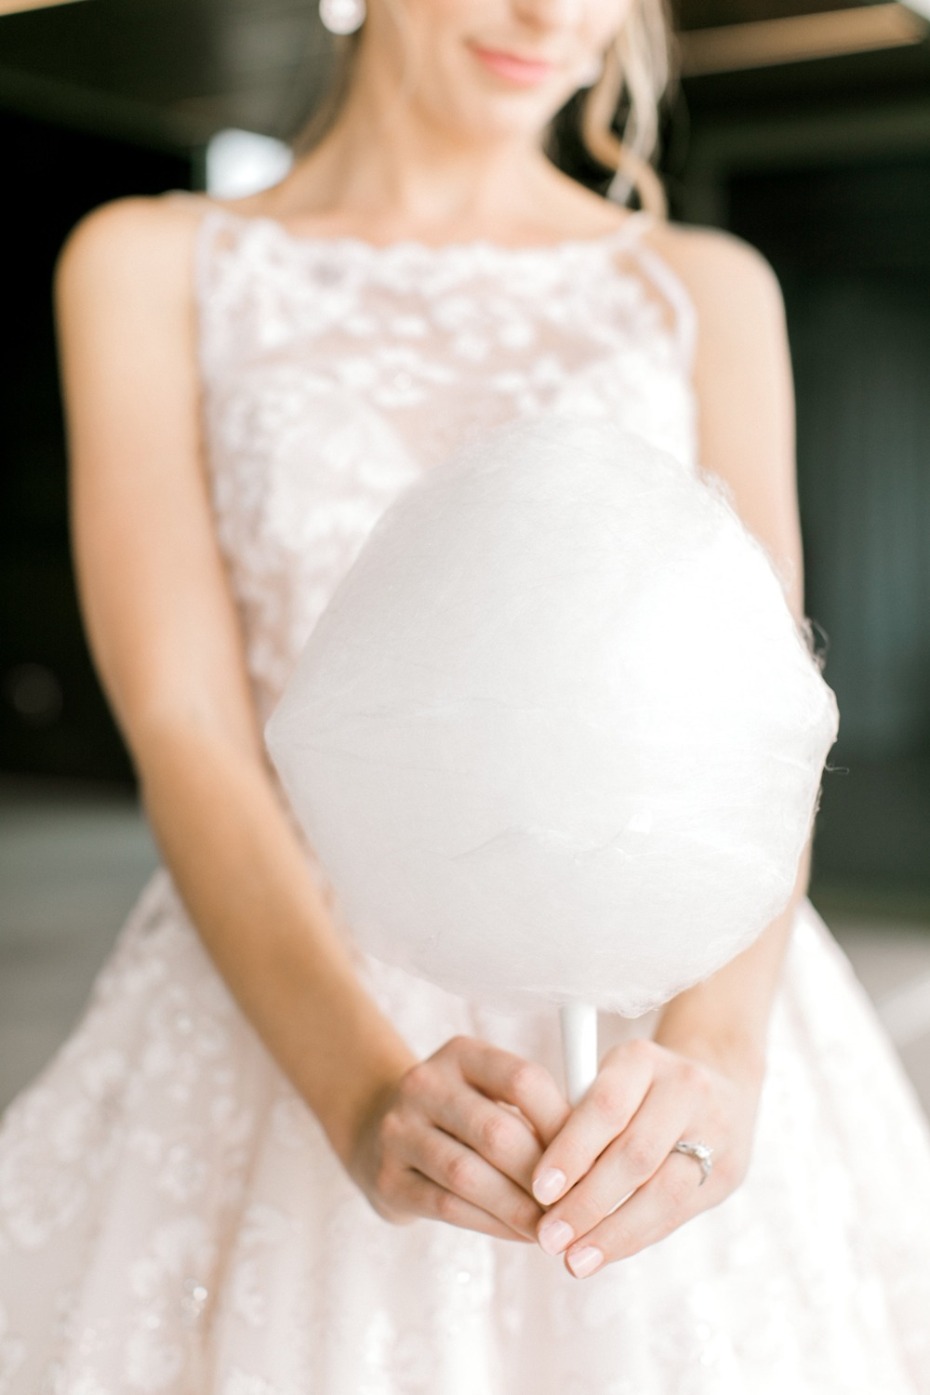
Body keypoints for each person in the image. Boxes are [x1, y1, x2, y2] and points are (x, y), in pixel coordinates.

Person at [2, 0, 930, 1389]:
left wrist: (720, 1068)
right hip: (306, 987)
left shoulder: (704, 285)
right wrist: (359, 1089)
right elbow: (185, 718)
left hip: (669, 1002)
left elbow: (763, 718)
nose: (550, 15)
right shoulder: (148, 262)